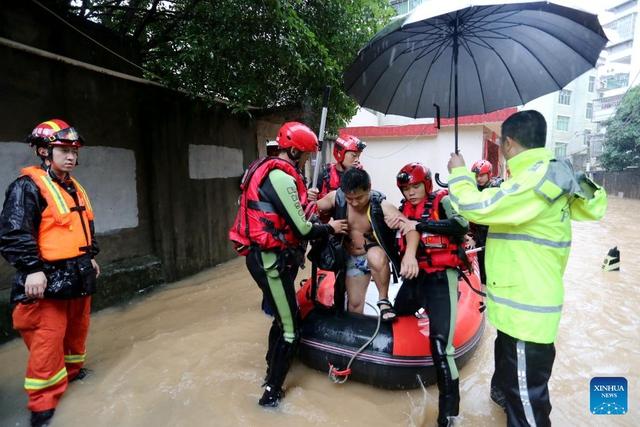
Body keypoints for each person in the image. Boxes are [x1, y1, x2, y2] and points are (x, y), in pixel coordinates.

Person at [446, 110, 607, 426]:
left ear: (507, 143)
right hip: (519, 311)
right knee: (512, 393)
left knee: (527, 409)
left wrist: (458, 173)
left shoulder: (535, 178)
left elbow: (476, 207)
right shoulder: (551, 175)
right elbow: (596, 205)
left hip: (525, 315)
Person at [228, 121, 348, 408]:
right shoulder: (281, 178)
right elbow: (304, 229)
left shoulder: (273, 172)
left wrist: (308, 201)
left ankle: (271, 367)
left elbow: (289, 212)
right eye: (304, 155)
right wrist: (331, 228)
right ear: (293, 151)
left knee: (282, 319)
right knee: (291, 328)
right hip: (270, 260)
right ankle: (271, 393)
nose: (305, 159)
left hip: (267, 258)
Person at [0, 119, 100, 427]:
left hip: (78, 273)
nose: (71, 156)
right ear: (44, 151)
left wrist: (91, 257)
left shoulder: (72, 186)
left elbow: (83, 226)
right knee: (47, 339)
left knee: (76, 330)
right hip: (47, 276)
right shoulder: (27, 187)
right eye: (63, 150)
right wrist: (31, 270)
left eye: (74, 151)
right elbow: (14, 232)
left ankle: (72, 371)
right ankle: (42, 403)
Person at [389, 162, 469, 427]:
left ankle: (449, 416)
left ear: (425, 185)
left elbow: (460, 225)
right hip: (416, 279)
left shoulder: (441, 202)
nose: (411, 193)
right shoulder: (403, 210)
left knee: (440, 347)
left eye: (415, 187)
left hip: (440, 278)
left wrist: (421, 225)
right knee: (397, 312)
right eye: (406, 188)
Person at [316, 168, 419, 321]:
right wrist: (328, 224)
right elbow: (309, 212)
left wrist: (410, 256)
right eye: (349, 198)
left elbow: (411, 228)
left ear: (369, 188)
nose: (354, 203)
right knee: (355, 305)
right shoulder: (336, 198)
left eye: (359, 197)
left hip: (373, 255)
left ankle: (383, 301)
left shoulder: (381, 205)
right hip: (352, 257)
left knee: (375, 255)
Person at [468, 159, 502, 284]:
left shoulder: (496, 186)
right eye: (476, 176)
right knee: (480, 268)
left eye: (482, 175)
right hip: (479, 233)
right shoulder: (475, 189)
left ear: (489, 174)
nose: (479, 178)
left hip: (494, 232)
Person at [308, 133, 366, 202]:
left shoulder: (360, 176)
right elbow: (309, 198)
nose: (357, 160)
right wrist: (310, 194)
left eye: (358, 156)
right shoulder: (325, 174)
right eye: (353, 155)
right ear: (339, 153)